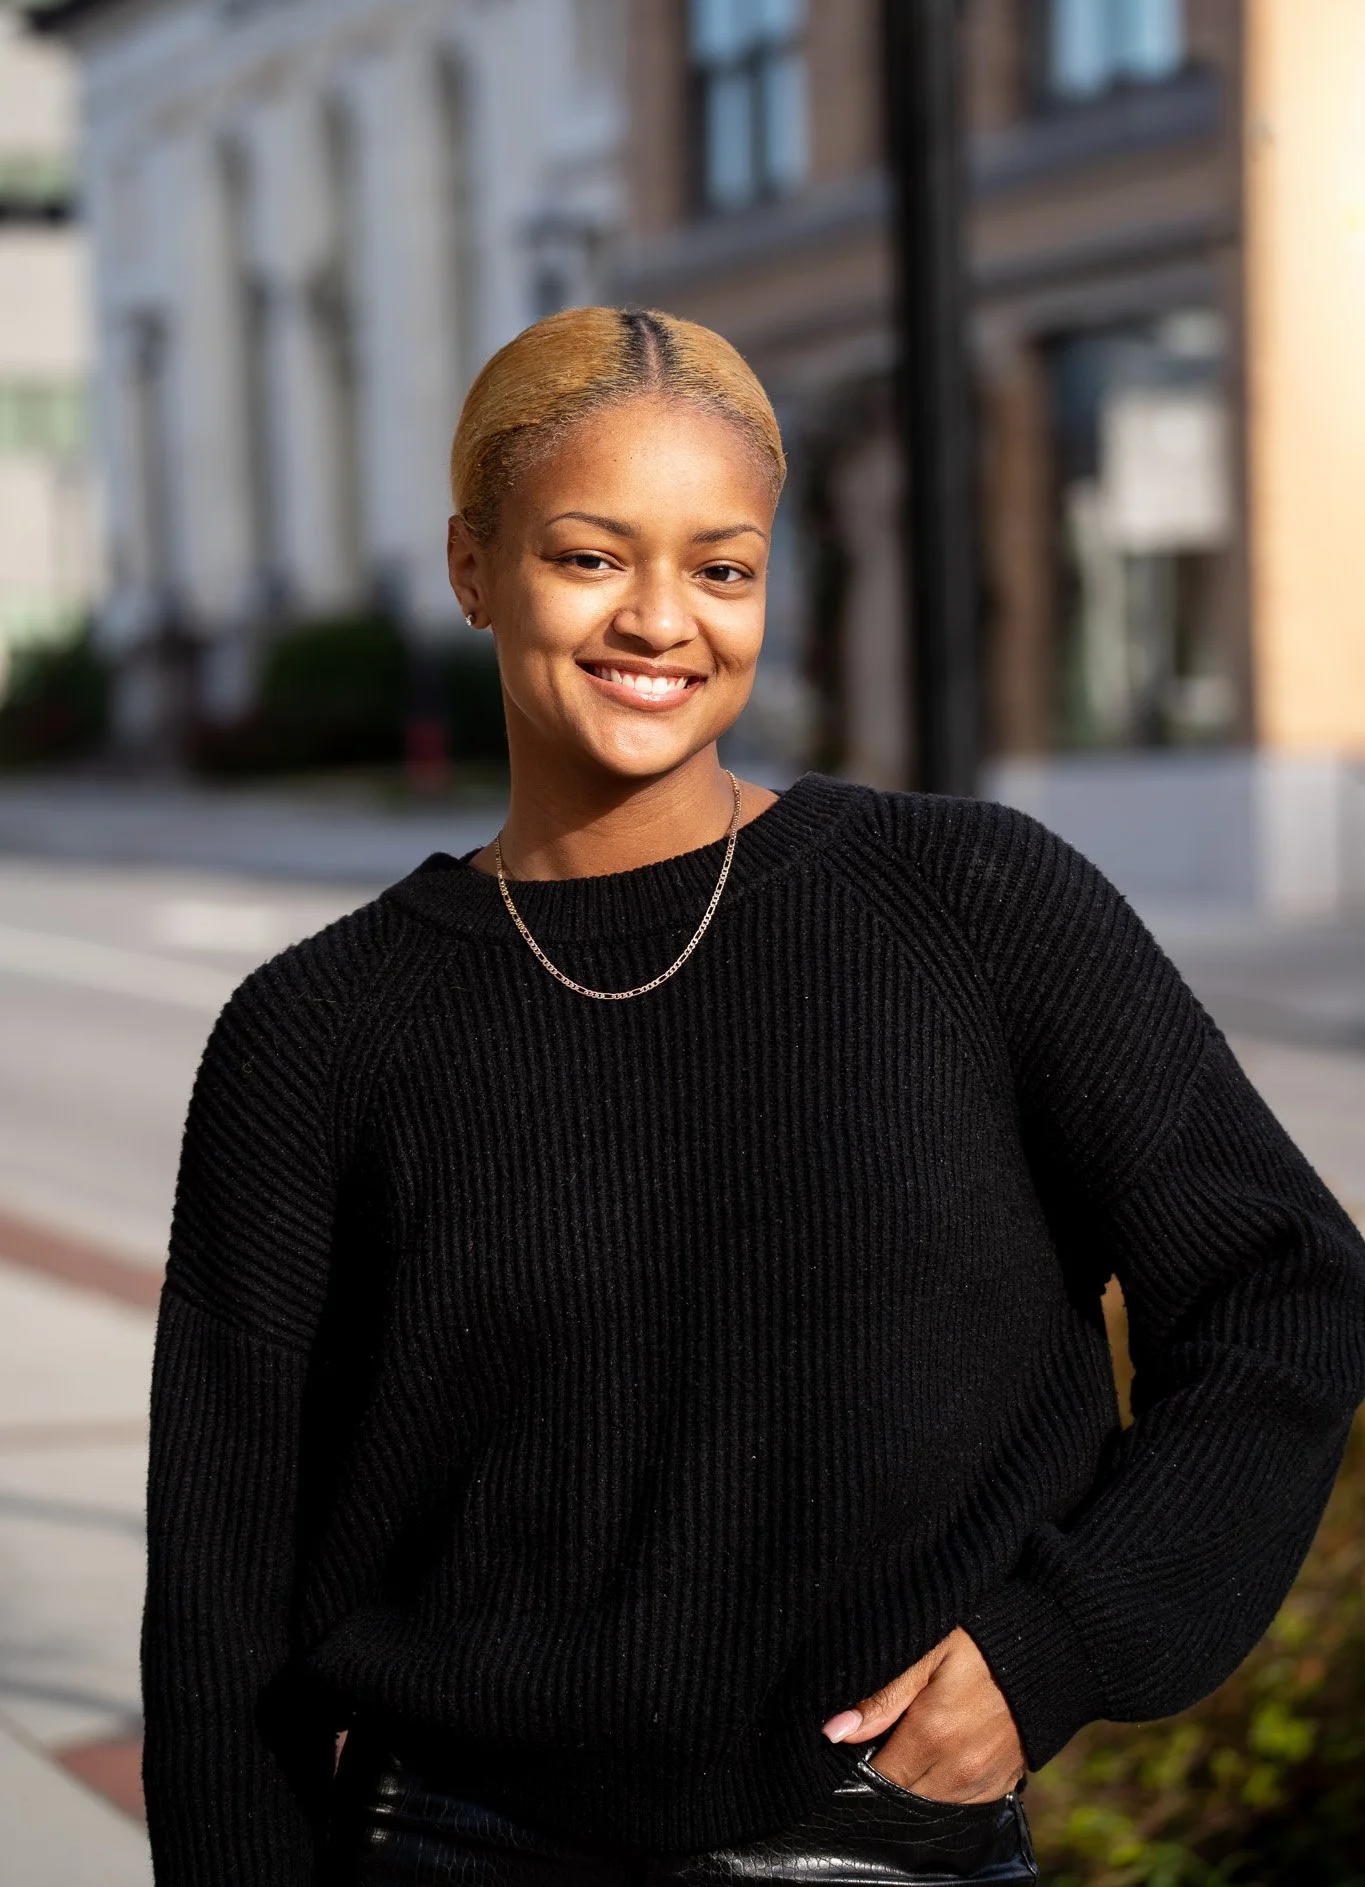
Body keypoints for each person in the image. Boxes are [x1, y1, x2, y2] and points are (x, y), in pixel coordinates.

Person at [142, 307, 1365, 1887]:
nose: (662, 620)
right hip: (449, 1846)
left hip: (881, 1847)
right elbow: (222, 1610)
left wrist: (1056, 1645)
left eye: (721, 569)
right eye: (590, 557)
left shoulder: (972, 905)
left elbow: (1285, 1284)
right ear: (471, 566)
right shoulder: (313, 1034)